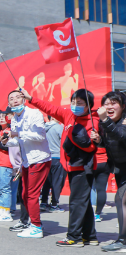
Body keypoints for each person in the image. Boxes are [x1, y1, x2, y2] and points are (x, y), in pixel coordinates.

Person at [22, 88, 98, 246]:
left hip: (83, 167)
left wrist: (93, 138)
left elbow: (90, 147)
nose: (75, 105)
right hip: (71, 166)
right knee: (82, 201)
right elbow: (50, 108)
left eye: (80, 103)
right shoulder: (69, 115)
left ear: (89, 105)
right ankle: (89, 236)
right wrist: (31, 98)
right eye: (73, 102)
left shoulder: (93, 121)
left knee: (76, 202)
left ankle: (74, 237)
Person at [2, 91, 51, 239]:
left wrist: (18, 134)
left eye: (18, 97)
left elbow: (40, 136)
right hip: (26, 161)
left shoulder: (34, 114)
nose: (15, 100)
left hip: (39, 159)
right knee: (24, 194)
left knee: (31, 195)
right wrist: (6, 142)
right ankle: (33, 223)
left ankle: (36, 226)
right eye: (11, 99)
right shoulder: (15, 119)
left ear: (24, 99)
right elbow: (18, 141)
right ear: (9, 104)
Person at [92, 92, 126, 252]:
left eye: (114, 103)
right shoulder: (104, 123)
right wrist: (99, 141)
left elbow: (121, 136)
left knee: (121, 200)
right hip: (120, 168)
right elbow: (109, 144)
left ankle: (123, 241)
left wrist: (105, 120)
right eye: (106, 103)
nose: (110, 107)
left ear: (123, 106)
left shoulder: (123, 120)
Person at [40, 116, 66, 213]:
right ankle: (54, 204)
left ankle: (43, 202)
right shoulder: (59, 128)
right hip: (57, 157)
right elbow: (65, 142)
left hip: (46, 158)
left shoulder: (43, 128)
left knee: (47, 181)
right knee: (57, 182)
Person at [91, 143, 110, 222]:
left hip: (91, 161)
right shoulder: (106, 132)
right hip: (105, 162)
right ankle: (97, 214)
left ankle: (86, 214)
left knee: (87, 188)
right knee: (101, 189)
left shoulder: (89, 131)